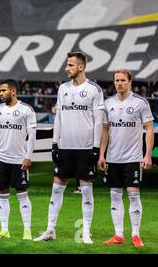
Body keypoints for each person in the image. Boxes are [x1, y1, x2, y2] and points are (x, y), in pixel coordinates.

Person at [34, 52, 104, 244]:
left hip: (85, 148)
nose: (67, 68)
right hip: (65, 147)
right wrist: (55, 143)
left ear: (81, 67)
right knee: (57, 188)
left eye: (71, 65)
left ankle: (86, 232)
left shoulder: (94, 90)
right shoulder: (62, 89)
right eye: (68, 65)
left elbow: (98, 122)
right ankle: (50, 230)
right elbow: (59, 118)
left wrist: (96, 149)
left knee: (87, 190)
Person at [98, 69, 154, 247]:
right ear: (113, 82)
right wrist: (102, 154)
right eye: (117, 80)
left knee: (133, 195)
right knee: (115, 196)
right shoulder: (107, 104)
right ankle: (119, 235)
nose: (120, 83)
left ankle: (135, 235)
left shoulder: (140, 102)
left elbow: (149, 129)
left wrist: (147, 155)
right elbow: (105, 130)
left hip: (133, 158)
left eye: (123, 80)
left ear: (130, 81)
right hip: (113, 159)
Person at [0, 79, 36, 240]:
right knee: (2, 193)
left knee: (22, 193)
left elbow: (32, 134)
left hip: (19, 160)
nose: (0, 93)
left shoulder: (26, 110)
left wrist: (28, 156)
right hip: (0, 159)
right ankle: (4, 229)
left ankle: (27, 230)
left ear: (13, 91)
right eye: (0, 91)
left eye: (4, 90)